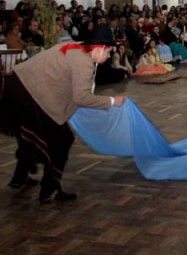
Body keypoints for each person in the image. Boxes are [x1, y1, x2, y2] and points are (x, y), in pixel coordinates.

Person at [0, 26, 126, 203]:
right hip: (30, 93)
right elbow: (81, 97)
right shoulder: (84, 62)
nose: (109, 55)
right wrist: (112, 101)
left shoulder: (76, 47)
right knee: (62, 139)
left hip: (18, 85)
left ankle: (20, 177)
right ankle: (49, 189)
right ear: (99, 48)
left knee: (30, 134)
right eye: (108, 51)